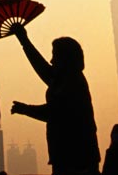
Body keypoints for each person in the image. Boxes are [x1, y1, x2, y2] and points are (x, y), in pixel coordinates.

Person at [9, 23, 100, 175]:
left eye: (55, 56)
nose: (51, 60)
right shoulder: (65, 79)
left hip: (76, 160)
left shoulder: (72, 82)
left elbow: (55, 112)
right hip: (70, 157)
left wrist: (26, 109)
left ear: (65, 58)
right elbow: (42, 68)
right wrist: (23, 40)